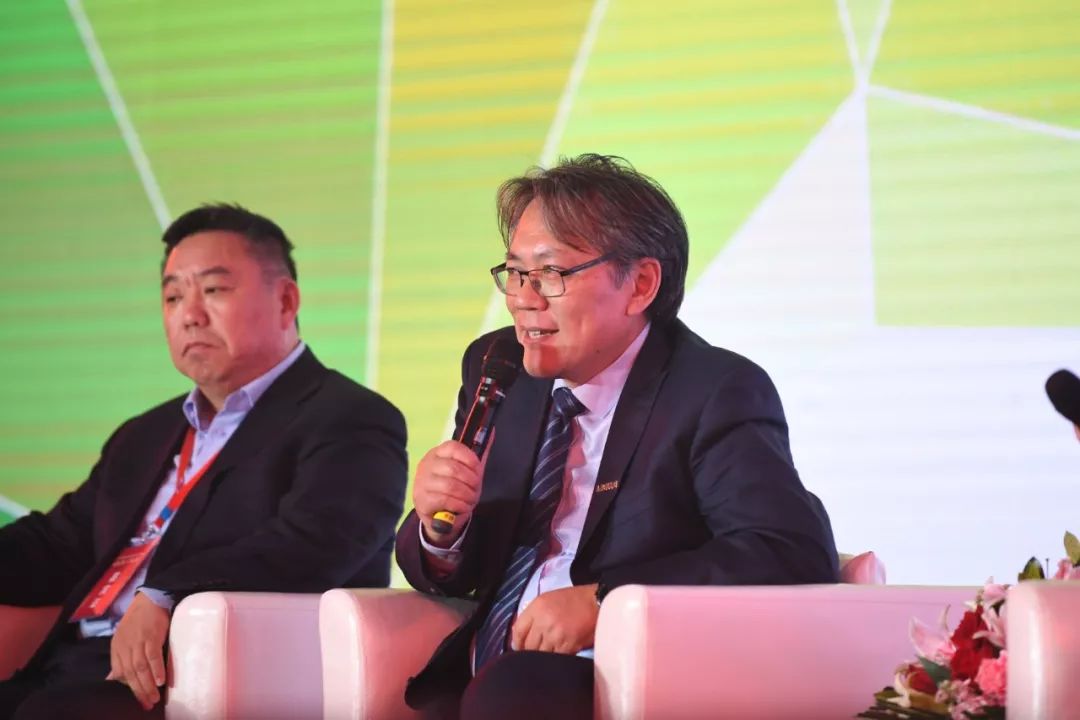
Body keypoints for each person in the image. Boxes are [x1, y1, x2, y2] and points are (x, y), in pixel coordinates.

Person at [396, 154, 839, 719]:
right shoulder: (498, 365)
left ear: (641, 285)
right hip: (487, 675)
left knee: (511, 692)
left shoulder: (712, 390)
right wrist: (443, 527)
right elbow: (465, 569)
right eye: (515, 272)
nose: (524, 298)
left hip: (618, 678)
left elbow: (787, 548)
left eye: (551, 273)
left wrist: (607, 601)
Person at [0, 204, 408, 719]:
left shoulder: (350, 418)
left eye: (213, 290)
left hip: (182, 681)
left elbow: (317, 543)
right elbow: (59, 544)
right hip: (70, 666)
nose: (189, 314)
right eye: (173, 296)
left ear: (286, 301)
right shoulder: (143, 434)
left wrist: (166, 592)